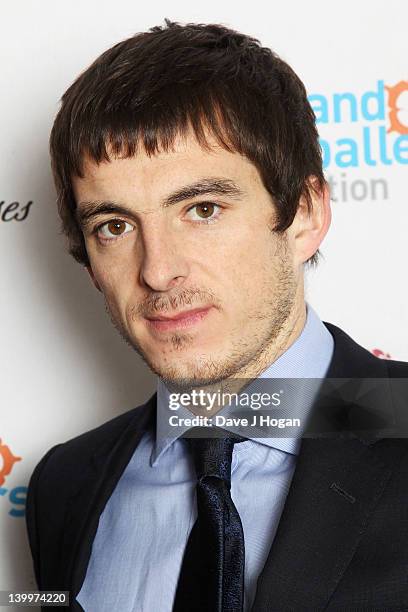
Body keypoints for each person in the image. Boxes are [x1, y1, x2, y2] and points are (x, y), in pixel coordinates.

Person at [25, 19, 408, 612]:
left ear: (304, 214)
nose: (157, 270)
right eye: (115, 226)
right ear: (89, 261)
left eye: (202, 209)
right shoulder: (65, 483)